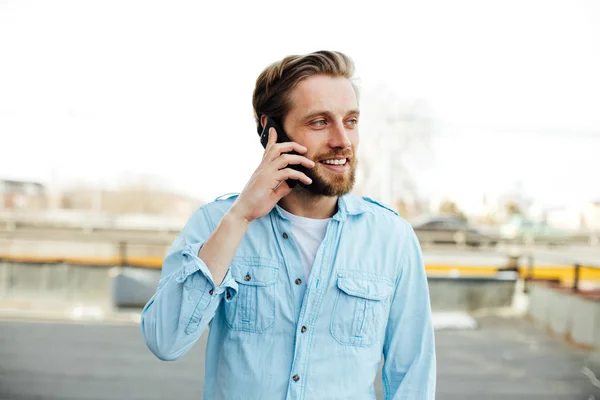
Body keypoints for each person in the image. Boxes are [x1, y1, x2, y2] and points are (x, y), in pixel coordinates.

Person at [141, 50, 436, 399]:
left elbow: (412, 379)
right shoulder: (216, 223)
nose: (342, 140)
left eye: (351, 121)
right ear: (272, 132)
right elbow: (165, 340)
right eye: (320, 122)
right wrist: (240, 218)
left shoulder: (392, 239)